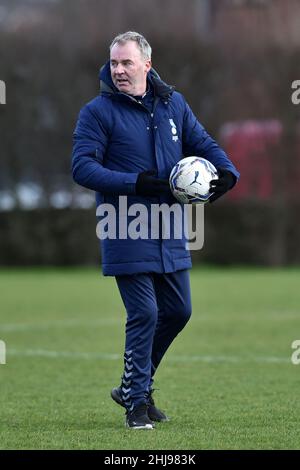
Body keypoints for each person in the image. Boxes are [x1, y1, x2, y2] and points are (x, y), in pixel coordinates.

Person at [72, 31, 239, 430]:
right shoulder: (96, 112)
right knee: (145, 312)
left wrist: (228, 174)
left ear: (147, 64)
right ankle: (136, 405)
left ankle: (134, 387)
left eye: (127, 63)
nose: (119, 70)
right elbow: (82, 168)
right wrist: (136, 183)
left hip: (170, 229)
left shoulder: (172, 104)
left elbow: (204, 143)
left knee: (179, 311)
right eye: (114, 63)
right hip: (125, 229)